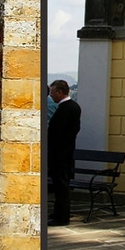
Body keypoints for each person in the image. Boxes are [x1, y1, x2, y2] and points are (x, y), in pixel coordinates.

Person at [46, 80, 81, 226]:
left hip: (61, 154)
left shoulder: (67, 108)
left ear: (60, 92)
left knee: (61, 186)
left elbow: (60, 132)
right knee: (59, 184)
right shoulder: (70, 107)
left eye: (53, 92)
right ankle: (58, 212)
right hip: (63, 153)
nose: (51, 95)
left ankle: (62, 217)